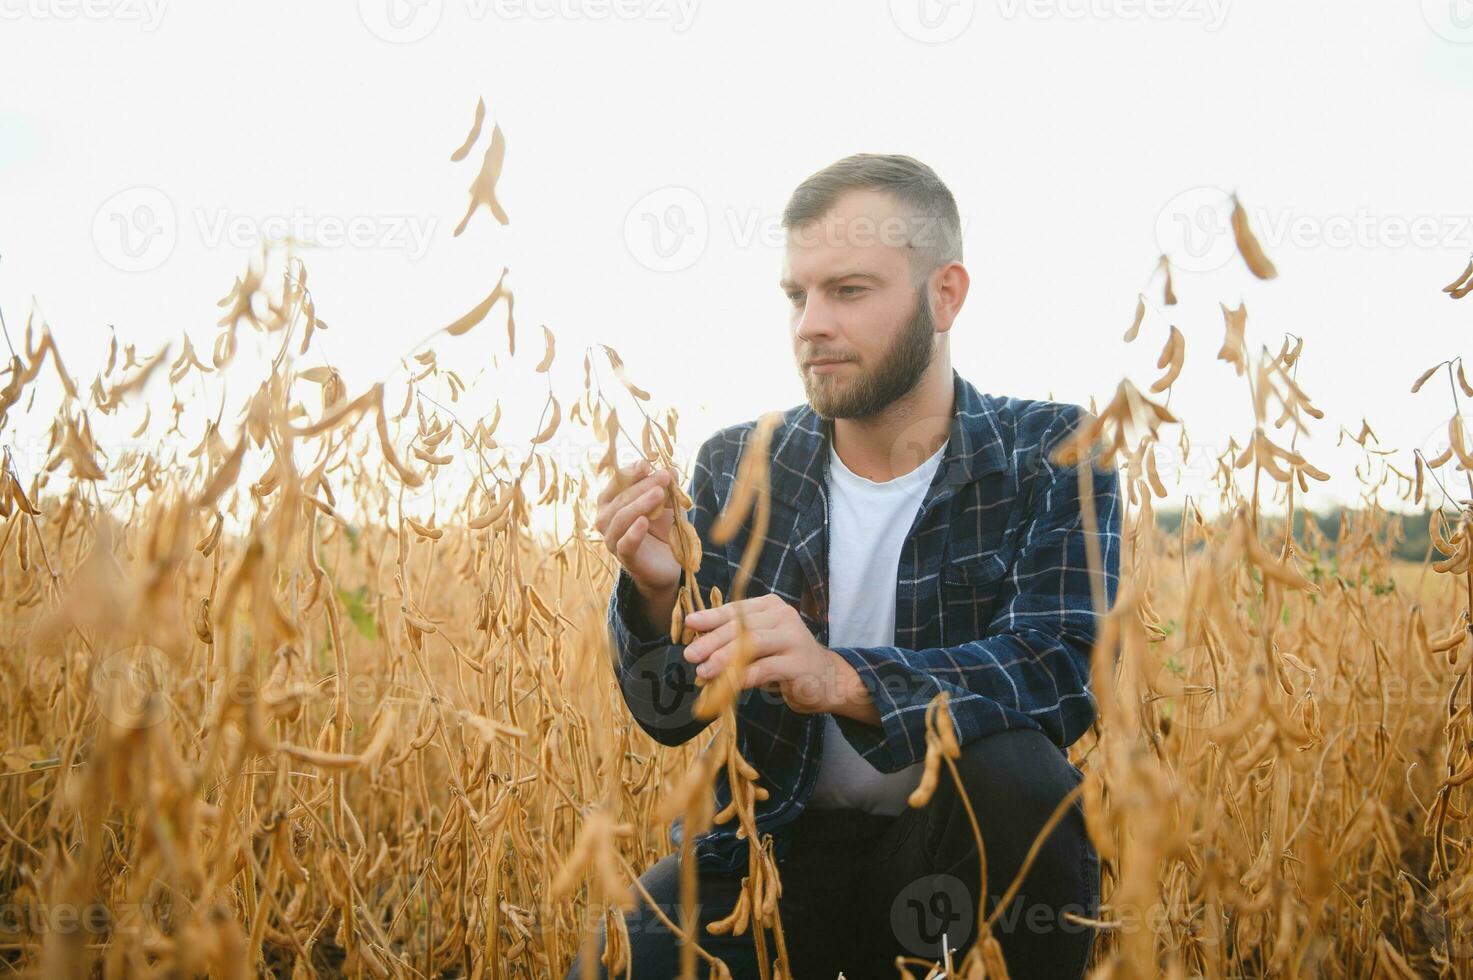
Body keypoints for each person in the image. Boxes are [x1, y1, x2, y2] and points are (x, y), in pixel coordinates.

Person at [578, 153, 1121, 979]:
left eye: (849, 291)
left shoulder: (1051, 452)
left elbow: (1058, 674)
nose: (808, 326)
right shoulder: (740, 463)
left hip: (942, 856)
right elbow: (672, 715)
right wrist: (658, 596)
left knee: (1017, 774)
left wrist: (842, 678)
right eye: (798, 296)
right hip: (768, 853)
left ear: (945, 295)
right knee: (630, 961)